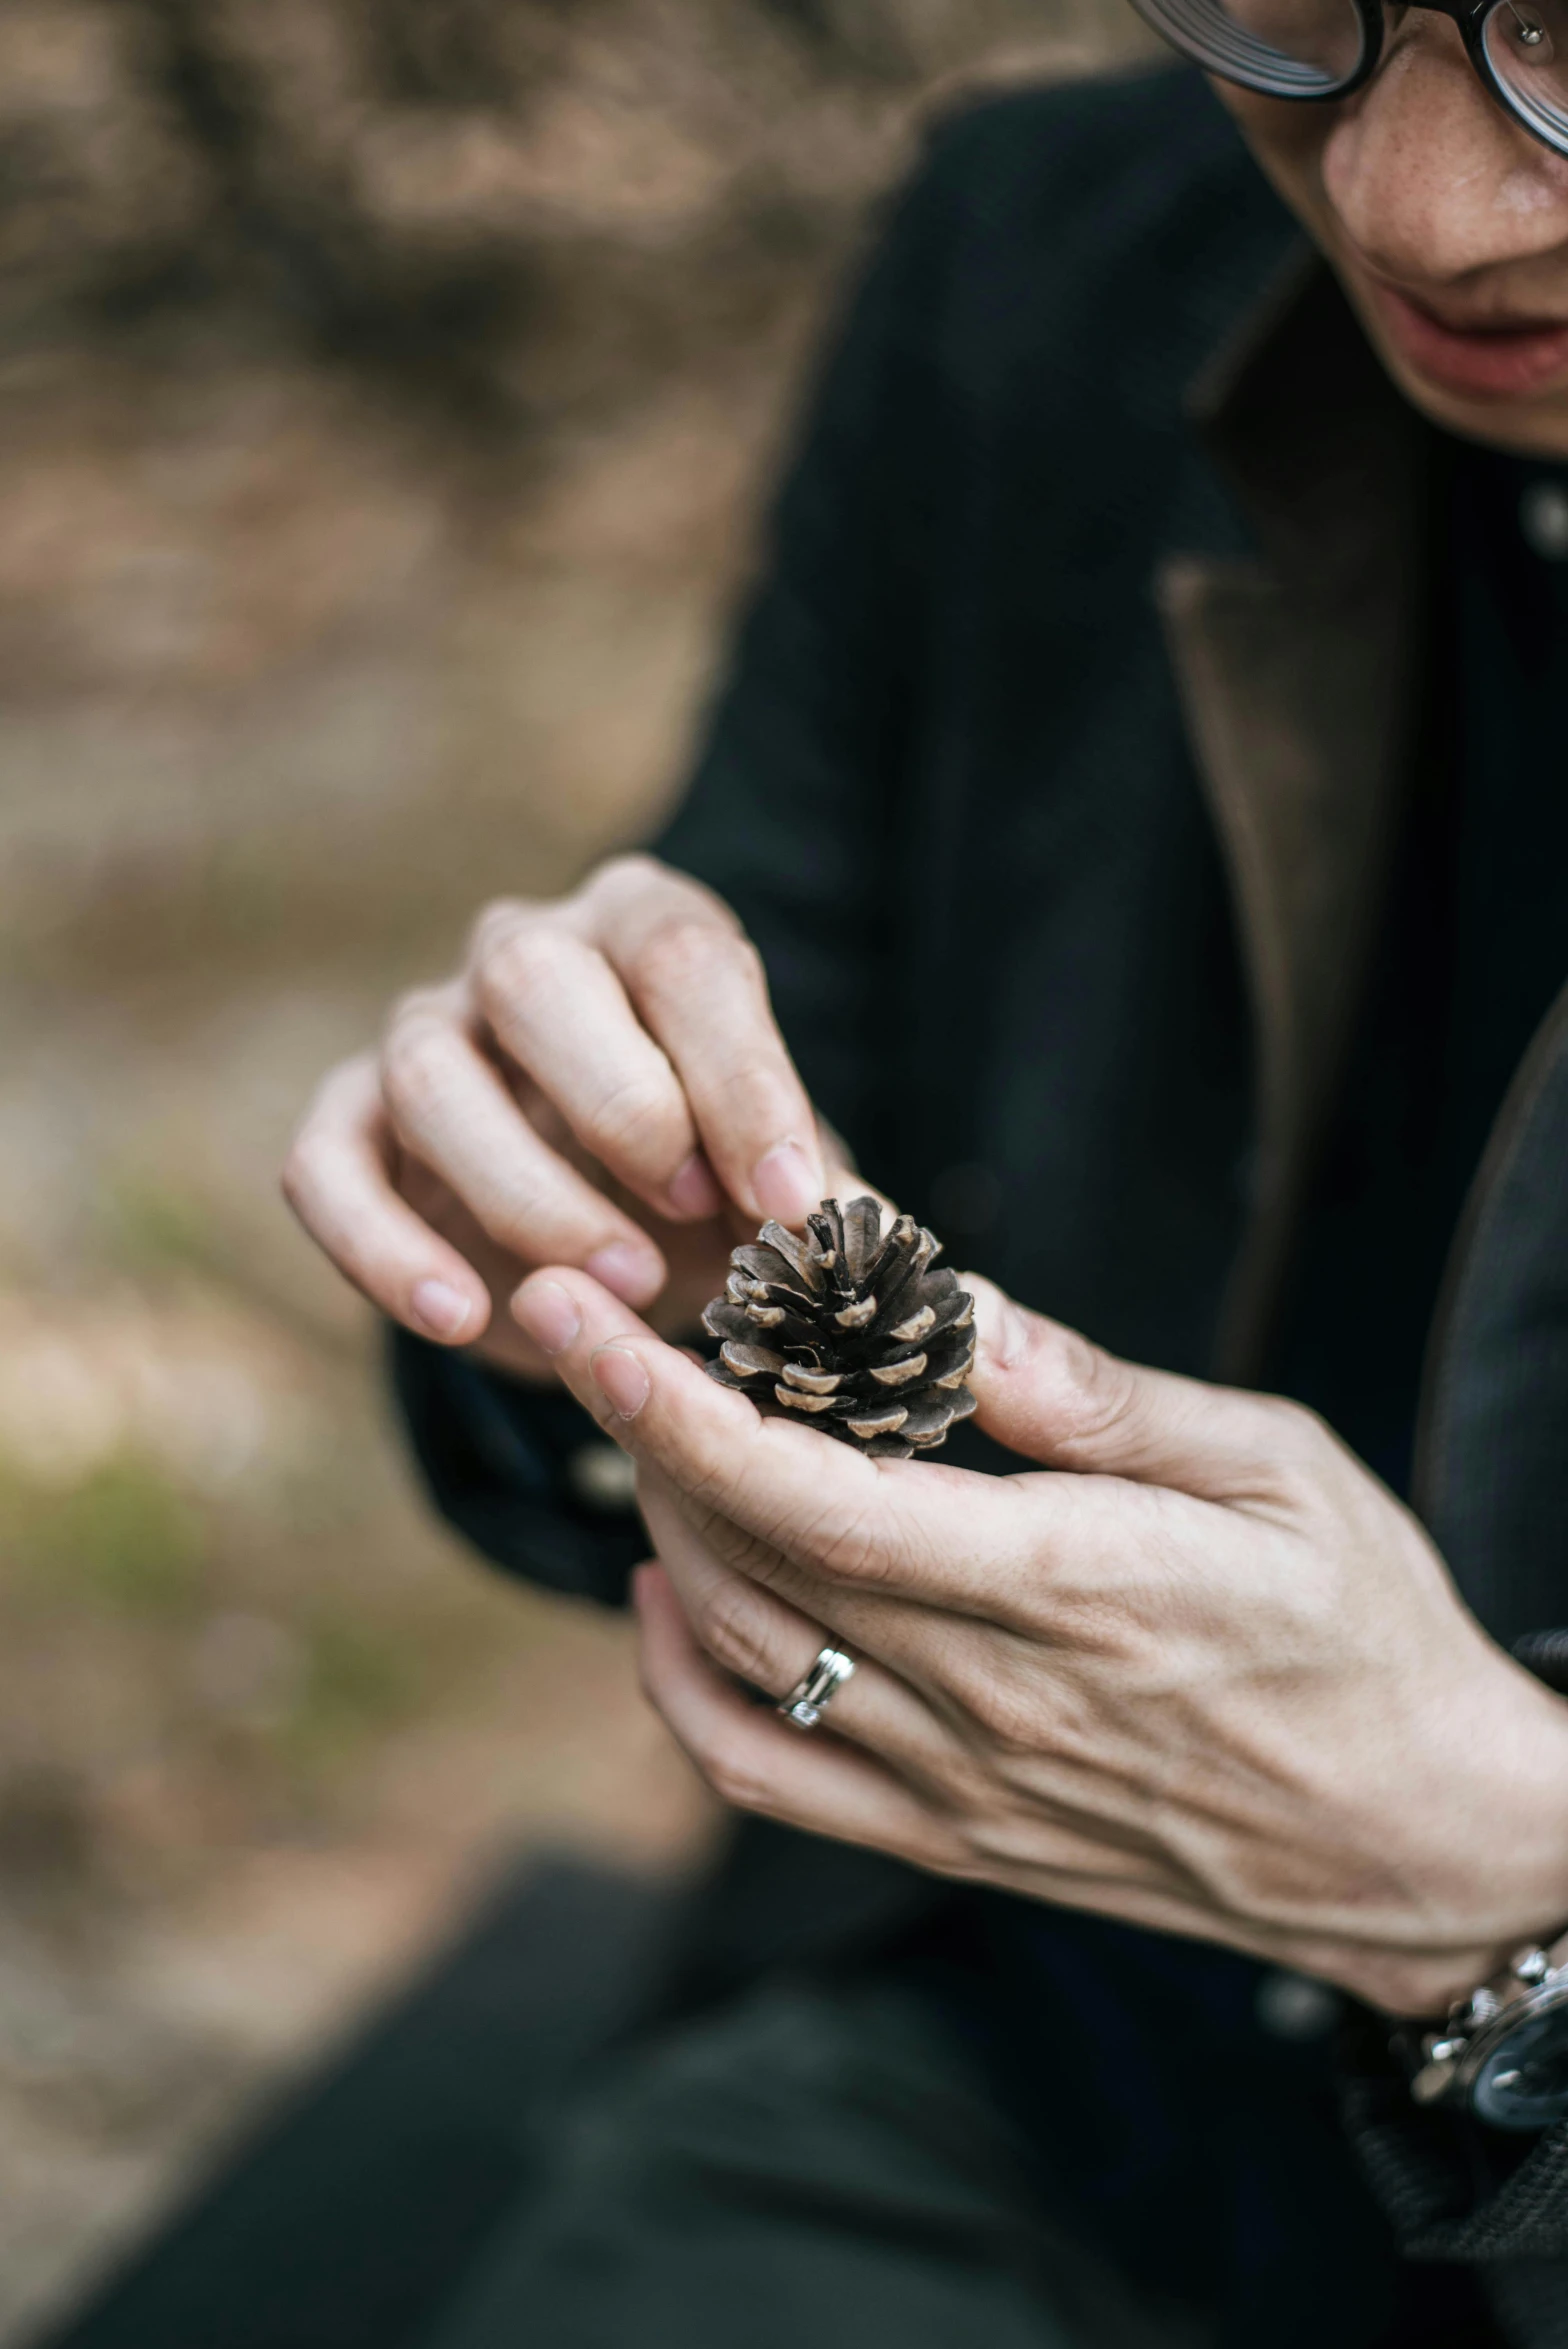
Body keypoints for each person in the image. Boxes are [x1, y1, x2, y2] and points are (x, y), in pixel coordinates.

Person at [284, 2, 1568, 2338]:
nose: (1412, 199)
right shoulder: (1046, 259)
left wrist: (1508, 1886)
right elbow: (748, 1167)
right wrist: (588, 1234)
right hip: (991, 2075)